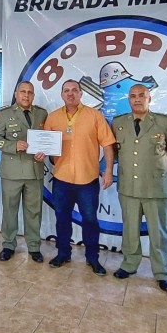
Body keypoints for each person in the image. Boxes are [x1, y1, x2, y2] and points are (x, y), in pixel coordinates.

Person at [43, 79, 116, 272]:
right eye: (66, 90)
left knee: (90, 220)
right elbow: (43, 145)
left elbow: (108, 144)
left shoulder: (95, 116)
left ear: (81, 93)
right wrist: (39, 151)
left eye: (74, 90)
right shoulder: (52, 118)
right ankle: (63, 253)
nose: (70, 94)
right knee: (62, 218)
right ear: (61, 94)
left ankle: (92, 257)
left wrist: (108, 170)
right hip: (61, 179)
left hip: (87, 180)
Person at [111, 84, 167, 292]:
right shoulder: (119, 123)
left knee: (159, 232)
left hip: (155, 186)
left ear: (149, 98)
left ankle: (162, 272)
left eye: (142, 96)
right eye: (133, 96)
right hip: (128, 185)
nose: (137, 99)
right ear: (128, 99)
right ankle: (129, 264)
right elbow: (116, 153)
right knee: (130, 229)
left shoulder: (165, 122)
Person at [0, 81, 48, 262]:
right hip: (12, 172)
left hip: (34, 171)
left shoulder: (41, 113)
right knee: (9, 211)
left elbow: (46, 139)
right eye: (22, 92)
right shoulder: (4, 114)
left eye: (30, 92)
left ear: (33, 95)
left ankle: (34, 246)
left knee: (33, 211)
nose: (26, 95)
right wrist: (13, 145)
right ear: (16, 94)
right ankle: (8, 245)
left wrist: (44, 152)